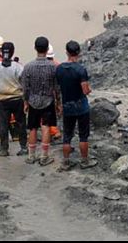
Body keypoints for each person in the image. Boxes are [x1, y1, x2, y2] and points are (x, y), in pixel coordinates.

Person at [55, 41, 97, 172]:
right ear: (78, 52)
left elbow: (57, 89)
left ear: (66, 52)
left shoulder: (59, 69)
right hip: (81, 106)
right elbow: (85, 90)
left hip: (67, 106)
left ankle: (66, 162)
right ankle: (84, 161)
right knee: (83, 135)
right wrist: (89, 90)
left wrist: (58, 104)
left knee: (67, 135)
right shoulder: (80, 69)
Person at [20, 37, 59, 166]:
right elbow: (56, 87)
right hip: (48, 100)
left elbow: (25, 87)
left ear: (35, 48)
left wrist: (26, 102)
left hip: (33, 100)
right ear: (47, 49)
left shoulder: (28, 67)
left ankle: (31, 156)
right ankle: (44, 156)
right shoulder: (53, 67)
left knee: (32, 127)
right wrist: (58, 102)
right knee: (46, 126)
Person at [0, 42, 27, 157]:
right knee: (21, 124)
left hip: (2, 100)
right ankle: (24, 147)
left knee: (3, 125)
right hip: (17, 99)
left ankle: (4, 149)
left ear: (1, 52)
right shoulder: (18, 67)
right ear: (12, 52)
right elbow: (24, 83)